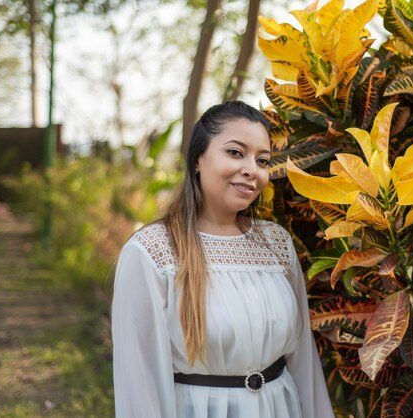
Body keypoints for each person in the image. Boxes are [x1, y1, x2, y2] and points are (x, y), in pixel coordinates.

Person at [111, 101, 334, 418]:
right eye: (235, 152)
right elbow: (140, 380)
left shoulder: (276, 244)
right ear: (198, 158)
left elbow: (304, 364)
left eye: (262, 160)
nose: (251, 169)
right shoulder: (152, 251)